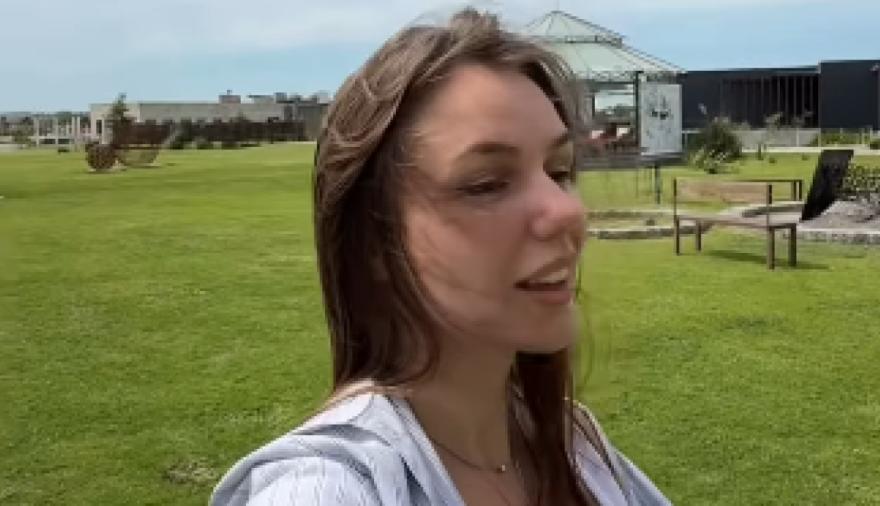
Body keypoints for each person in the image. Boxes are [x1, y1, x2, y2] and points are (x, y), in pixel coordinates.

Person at [212, 8, 670, 506]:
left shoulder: (576, 445)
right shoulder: (326, 489)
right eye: (487, 184)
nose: (566, 211)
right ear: (375, 242)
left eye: (559, 172)